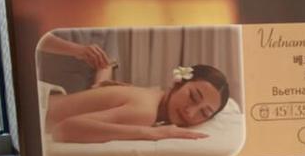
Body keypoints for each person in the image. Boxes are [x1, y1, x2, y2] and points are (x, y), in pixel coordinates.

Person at [38, 31, 231, 144]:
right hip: (37, 111)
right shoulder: (146, 112)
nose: (191, 112)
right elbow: (65, 129)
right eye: (193, 97)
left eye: (204, 113)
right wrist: (153, 133)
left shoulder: (152, 95)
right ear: (178, 82)